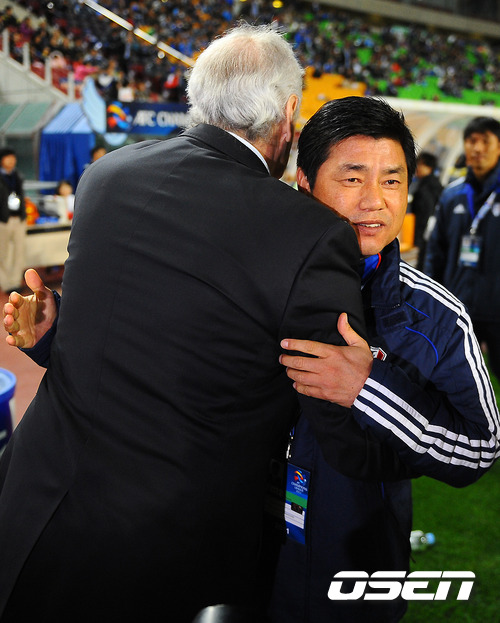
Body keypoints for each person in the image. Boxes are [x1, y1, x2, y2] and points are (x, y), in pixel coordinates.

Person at [0, 24, 372, 623]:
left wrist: (53, 333)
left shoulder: (108, 176)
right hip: (167, 557)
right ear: (288, 114)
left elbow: (146, 340)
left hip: (35, 506)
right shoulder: (312, 232)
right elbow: (336, 412)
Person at [267, 97, 500, 623]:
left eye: (391, 180)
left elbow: (479, 449)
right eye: (352, 178)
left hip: (358, 566)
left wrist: (369, 389)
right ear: (304, 183)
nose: (374, 201)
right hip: (245, 559)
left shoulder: (436, 316)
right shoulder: (253, 285)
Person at [425, 116, 500, 385]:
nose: (476, 148)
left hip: (497, 307)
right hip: (459, 307)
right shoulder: (451, 195)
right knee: (455, 379)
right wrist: (433, 300)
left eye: (485, 141)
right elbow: (435, 251)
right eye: (471, 141)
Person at [408, 150, 442, 271]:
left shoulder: (427, 188)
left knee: (423, 264)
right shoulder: (435, 185)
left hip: (425, 234)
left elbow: (425, 214)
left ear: (429, 167)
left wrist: (418, 238)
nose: (417, 167)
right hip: (431, 234)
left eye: (420, 164)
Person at [0, 147, 26, 293]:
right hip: (3, 220)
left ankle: (15, 282)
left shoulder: (17, 176)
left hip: (18, 219)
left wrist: (23, 215)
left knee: (19, 252)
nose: (11, 160)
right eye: (7, 157)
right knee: (2, 253)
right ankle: (6, 284)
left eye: (13, 157)